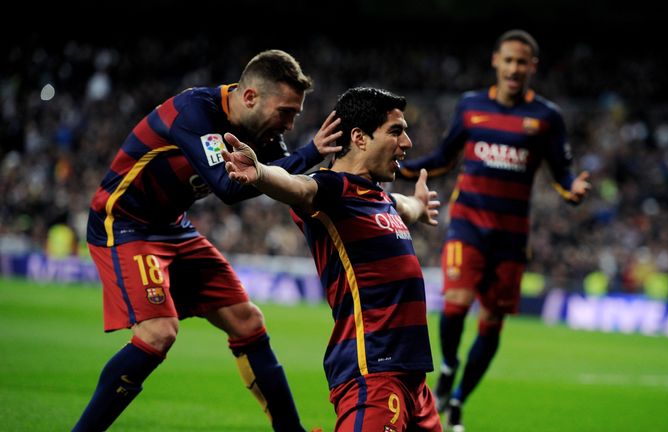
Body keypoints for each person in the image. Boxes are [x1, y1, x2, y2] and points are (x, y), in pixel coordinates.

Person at [75, 49, 342, 432]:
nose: (289, 124)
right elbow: (228, 187)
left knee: (248, 322)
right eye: (286, 112)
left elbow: (283, 182)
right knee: (158, 332)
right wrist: (309, 153)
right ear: (250, 97)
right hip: (126, 222)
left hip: (172, 226)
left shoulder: (261, 134)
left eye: (295, 115)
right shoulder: (194, 112)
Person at [398, 30, 591, 431]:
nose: (515, 69)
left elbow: (562, 170)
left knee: (492, 324)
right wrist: (398, 167)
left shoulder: (546, 117)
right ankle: (448, 365)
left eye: (522, 62)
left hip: (511, 236)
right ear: (496, 62)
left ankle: (457, 400)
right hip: (468, 224)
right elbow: (444, 159)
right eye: (509, 60)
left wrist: (571, 188)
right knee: (455, 303)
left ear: (532, 67)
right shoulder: (470, 107)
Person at [222, 87, 443, 431]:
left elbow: (406, 207)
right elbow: (299, 187)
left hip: (413, 378)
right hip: (373, 371)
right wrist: (262, 174)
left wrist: (419, 205)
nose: (408, 143)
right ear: (359, 137)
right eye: (396, 131)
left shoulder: (379, 198)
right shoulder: (332, 190)